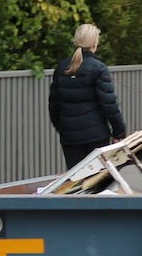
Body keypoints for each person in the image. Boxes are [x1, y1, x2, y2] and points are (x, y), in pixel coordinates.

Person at [48, 23, 127, 168]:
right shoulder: (98, 68)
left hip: (69, 137)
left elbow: (54, 105)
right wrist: (119, 133)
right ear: (95, 42)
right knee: (98, 181)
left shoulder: (61, 68)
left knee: (77, 184)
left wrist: (64, 128)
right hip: (96, 136)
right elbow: (109, 104)